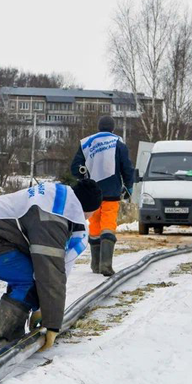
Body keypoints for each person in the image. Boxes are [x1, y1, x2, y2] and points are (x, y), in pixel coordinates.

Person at [0, 179, 103, 356]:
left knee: (27, 275)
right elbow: (50, 273)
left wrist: (41, 310)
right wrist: (52, 324)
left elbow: (53, 269)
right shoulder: (51, 218)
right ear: (87, 209)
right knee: (28, 280)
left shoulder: (57, 198)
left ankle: (13, 338)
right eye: (91, 214)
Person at [70, 115, 135, 277]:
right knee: (108, 224)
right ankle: (106, 264)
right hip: (112, 192)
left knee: (94, 225)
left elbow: (74, 169)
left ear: (99, 127)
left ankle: (95, 264)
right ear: (113, 127)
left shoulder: (86, 143)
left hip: (92, 194)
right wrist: (129, 186)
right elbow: (127, 168)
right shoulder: (118, 143)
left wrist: (84, 172)